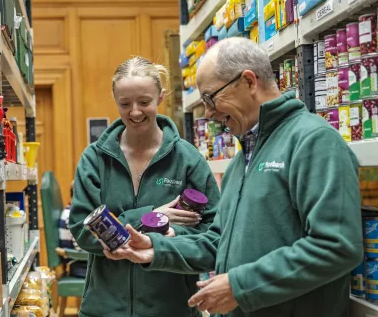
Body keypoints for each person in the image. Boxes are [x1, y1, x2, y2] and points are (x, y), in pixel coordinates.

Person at [105, 37, 364, 317]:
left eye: (210, 97)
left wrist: (240, 287)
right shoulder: (242, 160)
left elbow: (337, 246)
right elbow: (218, 241)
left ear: (249, 82)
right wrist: (156, 249)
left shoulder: (314, 142)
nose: (207, 112)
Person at [69, 56, 221, 317]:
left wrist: (168, 236)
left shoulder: (188, 159)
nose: (135, 112)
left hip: (172, 309)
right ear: (115, 100)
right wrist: (151, 217)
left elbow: (214, 235)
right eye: (125, 104)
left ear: (161, 97)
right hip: (104, 309)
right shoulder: (94, 159)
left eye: (144, 102)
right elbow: (83, 230)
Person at [59, 180, 87, 278]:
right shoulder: (73, 215)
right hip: (81, 265)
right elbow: (81, 247)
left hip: (82, 263)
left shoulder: (72, 211)